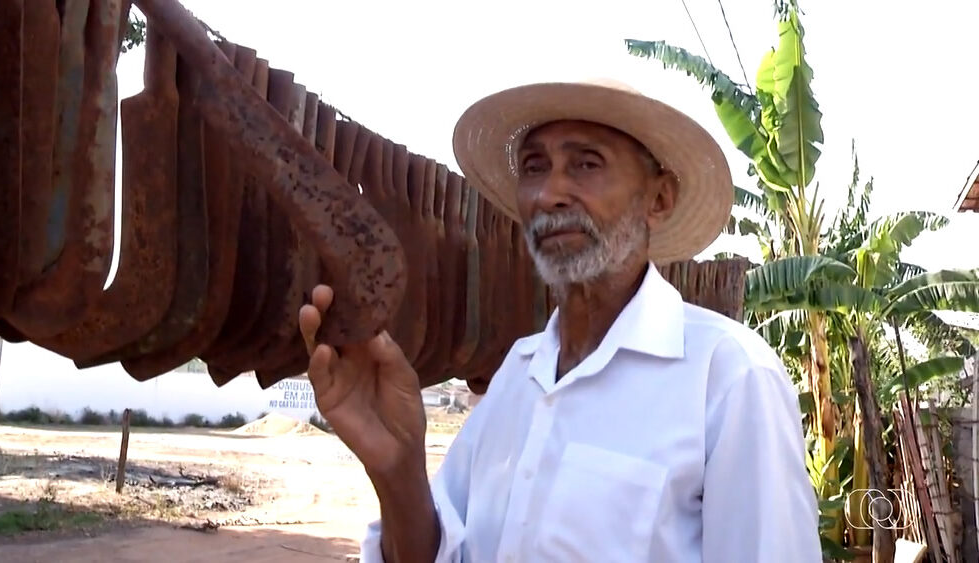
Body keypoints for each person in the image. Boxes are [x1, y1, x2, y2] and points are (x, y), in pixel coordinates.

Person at [298, 79, 823, 562]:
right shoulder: (516, 375)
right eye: (533, 167)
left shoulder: (728, 376)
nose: (549, 194)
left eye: (587, 164)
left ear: (658, 198)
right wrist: (397, 468)